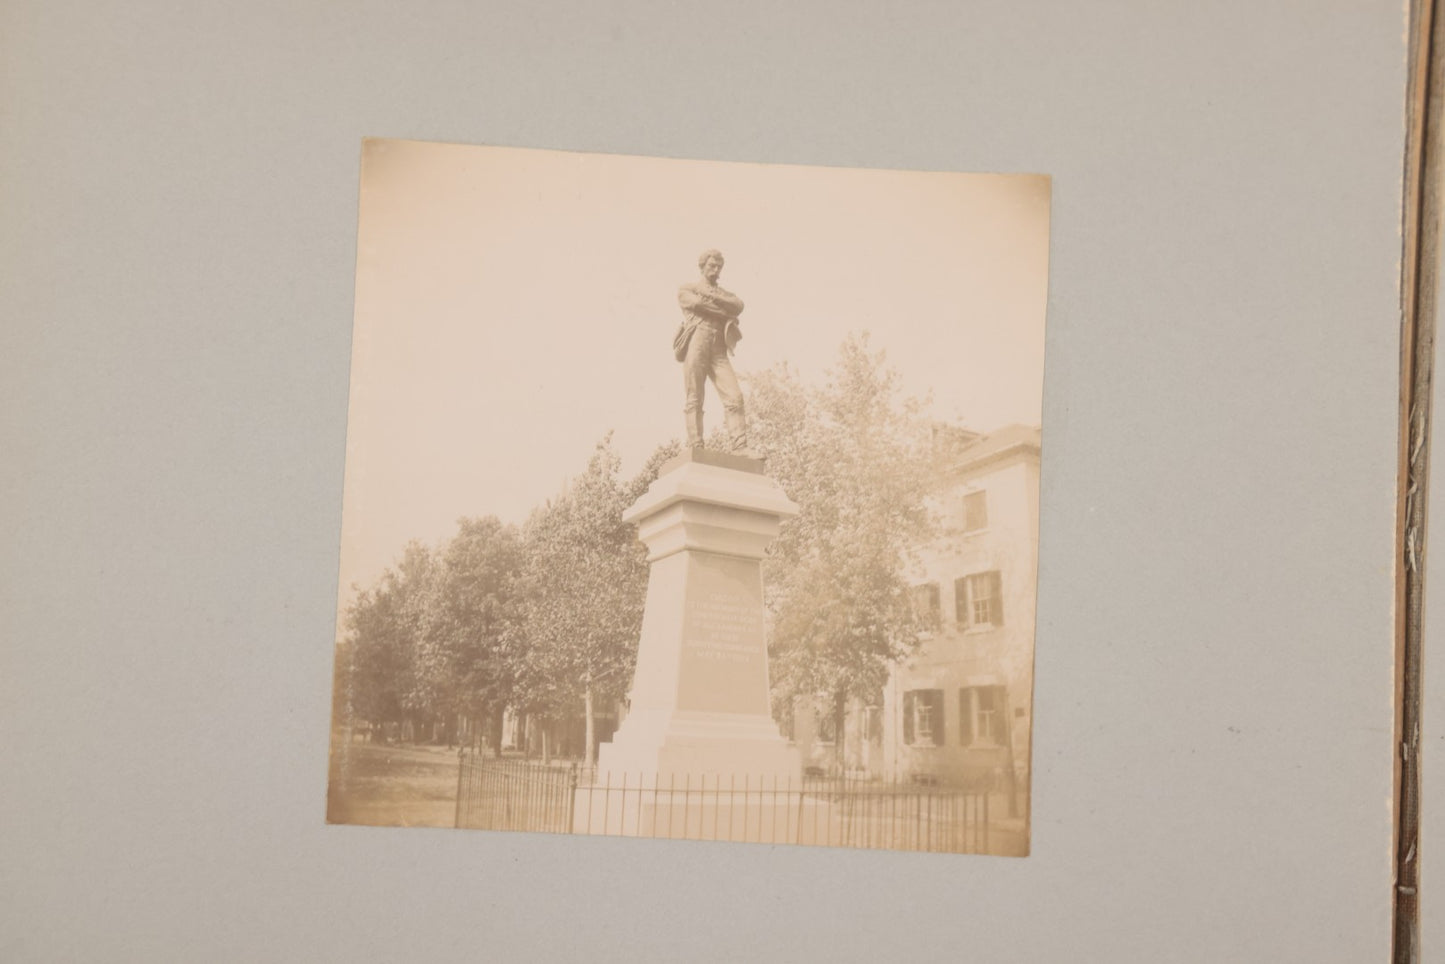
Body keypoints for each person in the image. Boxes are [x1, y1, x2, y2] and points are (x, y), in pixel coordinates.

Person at [676, 249, 750, 452]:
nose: (716, 270)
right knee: (695, 397)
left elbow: (738, 305)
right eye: (711, 265)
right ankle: (696, 445)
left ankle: (740, 446)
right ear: (702, 266)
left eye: (719, 266)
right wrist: (721, 308)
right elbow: (696, 303)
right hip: (697, 342)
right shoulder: (687, 288)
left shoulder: (724, 293)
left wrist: (712, 299)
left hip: (718, 348)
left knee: (734, 396)